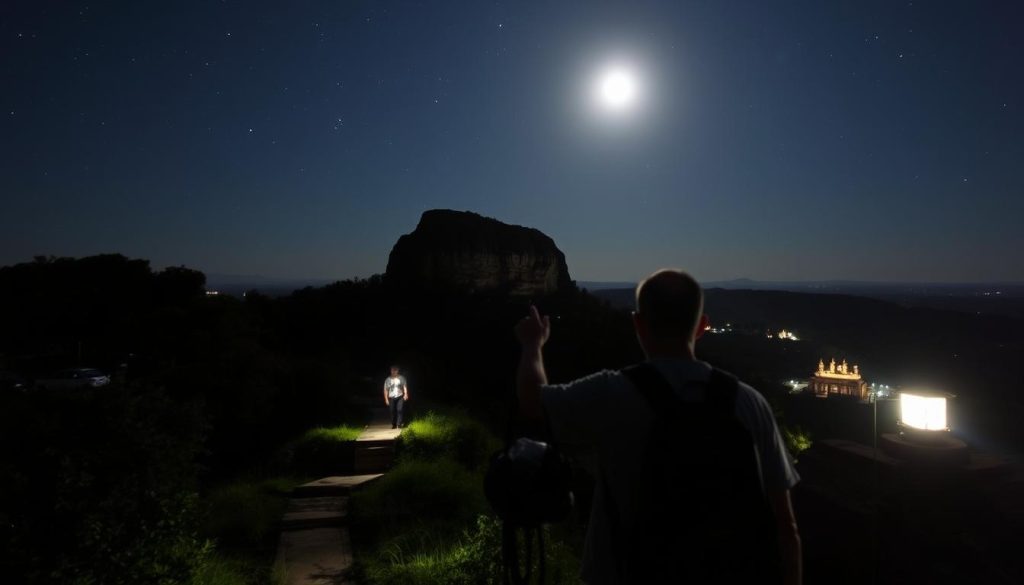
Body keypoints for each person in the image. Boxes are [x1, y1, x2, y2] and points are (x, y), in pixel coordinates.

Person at [514, 269, 802, 585]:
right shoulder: (750, 403)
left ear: (638, 324)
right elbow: (785, 526)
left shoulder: (612, 393)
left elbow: (534, 402)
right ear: (702, 326)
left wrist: (533, 345)